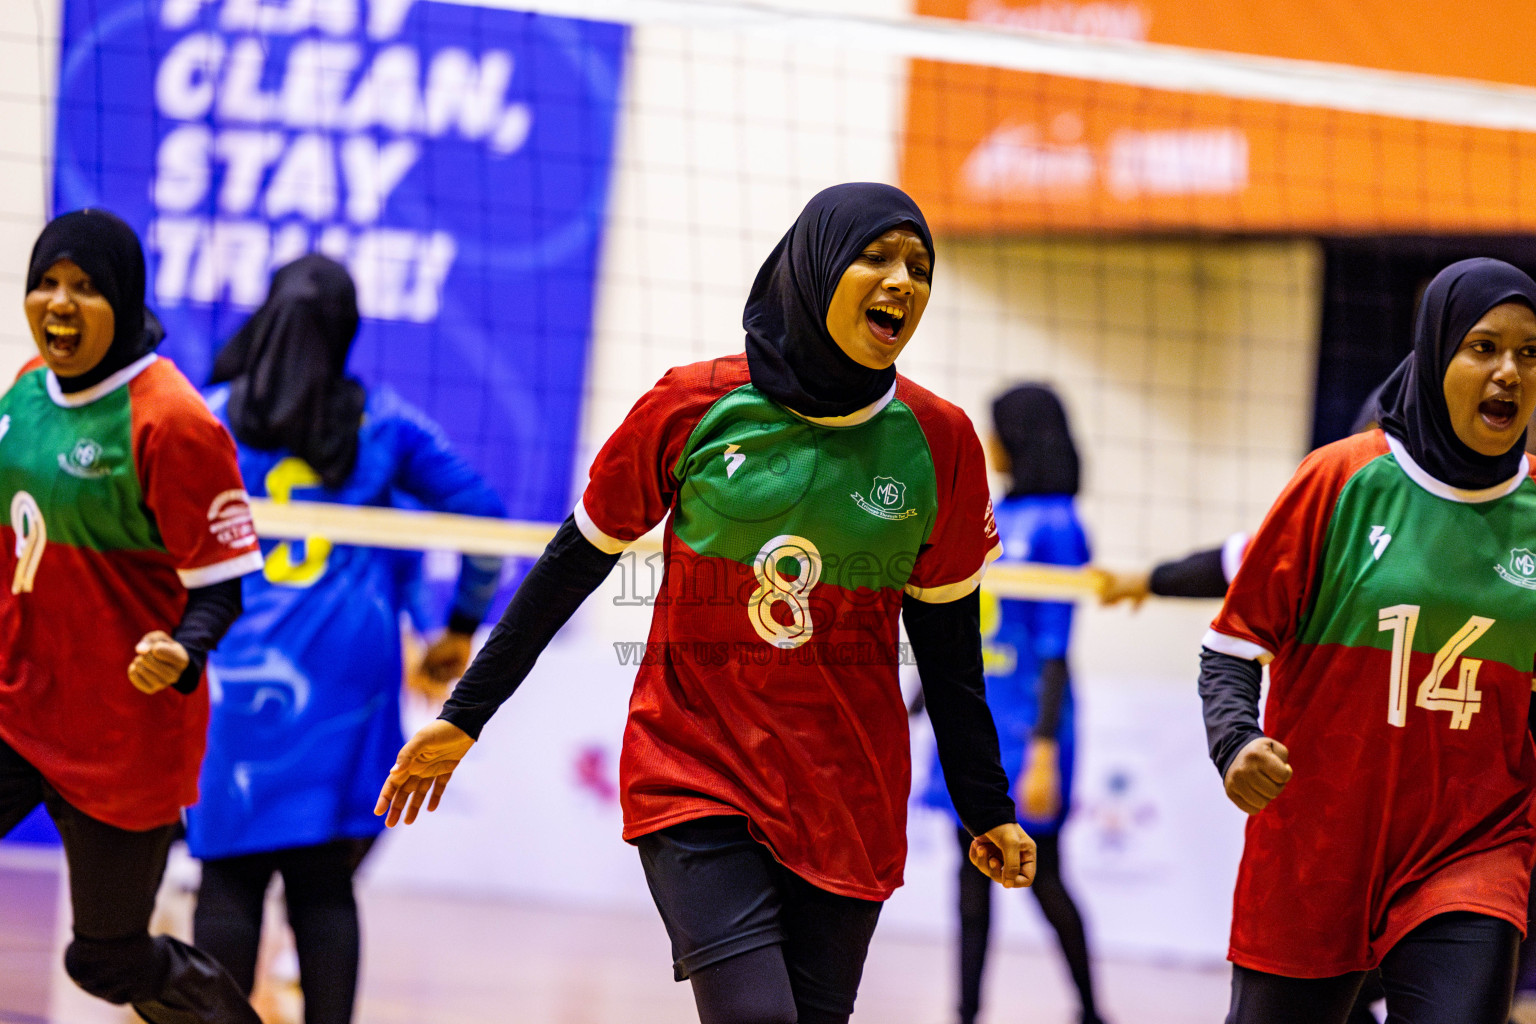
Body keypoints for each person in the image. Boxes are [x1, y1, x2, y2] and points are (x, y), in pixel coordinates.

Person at [375, 182, 1035, 1024]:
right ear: (817, 266)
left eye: (920, 265)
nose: (903, 280)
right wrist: (466, 715)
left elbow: (949, 652)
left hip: (848, 793)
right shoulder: (695, 404)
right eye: (876, 257)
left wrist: (987, 807)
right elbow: (572, 565)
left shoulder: (939, 441)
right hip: (696, 768)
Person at [1200, 257, 1536, 1024]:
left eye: (1529, 353)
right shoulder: (1340, 480)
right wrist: (1235, 742)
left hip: (1471, 844)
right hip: (1320, 837)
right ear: (1435, 353)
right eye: (1484, 348)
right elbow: (1229, 647)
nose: (1509, 373)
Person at [183, 254, 506, 1024]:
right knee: (324, 883)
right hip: (345, 676)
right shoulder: (384, 422)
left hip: (237, 673)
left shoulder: (210, 412)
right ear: (347, 330)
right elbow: (487, 522)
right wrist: (460, 626)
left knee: (227, 875)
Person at [0, 209, 265, 1023]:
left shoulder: (172, 420)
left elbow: (222, 587)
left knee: (107, 960)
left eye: (84, 287)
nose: (59, 304)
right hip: (17, 707)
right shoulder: (22, 391)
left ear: (124, 298)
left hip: (120, 732)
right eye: (47, 282)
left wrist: (182, 652)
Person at [919, 384, 1107, 1024]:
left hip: (1030, 731)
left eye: (996, 429)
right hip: (971, 722)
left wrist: (1046, 751)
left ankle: (1091, 1009)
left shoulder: (1059, 523)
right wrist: (919, 702)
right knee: (969, 884)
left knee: (1044, 876)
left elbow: (1056, 646)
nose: (988, 442)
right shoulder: (989, 510)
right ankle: (965, 1013)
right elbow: (960, 624)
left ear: (1021, 437)